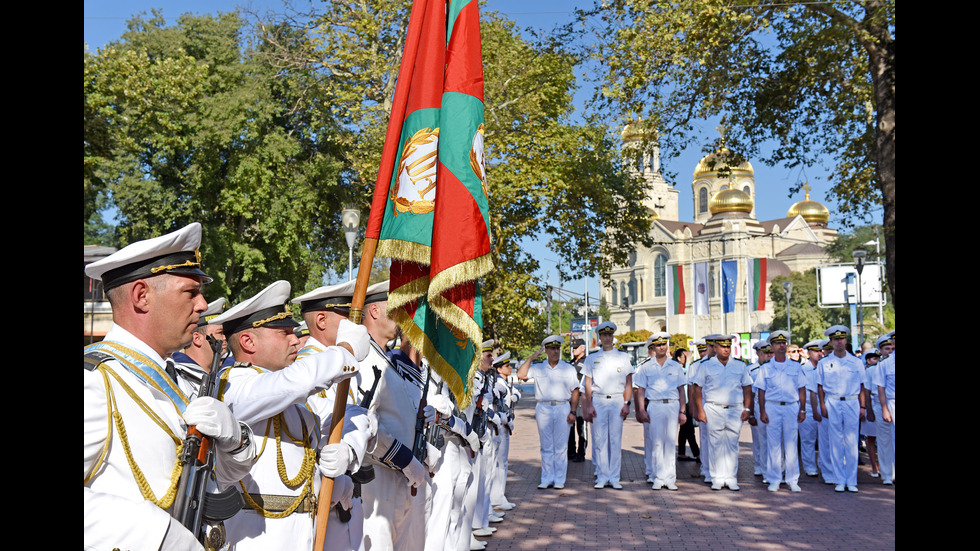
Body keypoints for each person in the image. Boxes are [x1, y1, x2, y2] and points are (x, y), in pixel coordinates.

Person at [84, 222, 257, 551]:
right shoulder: (95, 382)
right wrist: (157, 534)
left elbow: (221, 477)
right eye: (191, 292)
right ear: (141, 296)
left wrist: (235, 439)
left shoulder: (177, 380)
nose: (203, 305)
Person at [213, 280, 371, 549]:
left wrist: (348, 451)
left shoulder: (289, 398)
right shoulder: (233, 385)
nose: (295, 339)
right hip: (255, 539)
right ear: (248, 341)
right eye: (284, 332)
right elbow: (294, 383)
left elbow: (358, 415)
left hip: (302, 533)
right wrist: (343, 352)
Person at [292, 279, 381, 551]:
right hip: (326, 500)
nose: (358, 325)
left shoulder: (337, 365)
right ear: (321, 320)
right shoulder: (310, 368)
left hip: (346, 497)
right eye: (348, 316)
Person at [351, 281, 434, 551]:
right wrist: (405, 458)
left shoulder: (383, 357)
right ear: (374, 311)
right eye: (395, 309)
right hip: (378, 477)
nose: (401, 317)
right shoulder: (363, 357)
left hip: (398, 475)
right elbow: (365, 423)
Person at [517, 335, 581, 489]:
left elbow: (575, 391)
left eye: (557, 348)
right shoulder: (538, 367)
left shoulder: (568, 368)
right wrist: (531, 358)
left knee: (561, 446)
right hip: (543, 407)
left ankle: (559, 479)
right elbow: (521, 375)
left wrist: (573, 411)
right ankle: (546, 478)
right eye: (552, 348)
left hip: (562, 407)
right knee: (546, 445)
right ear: (545, 350)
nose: (555, 351)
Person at [691, 334, 753, 491]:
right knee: (715, 444)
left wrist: (747, 408)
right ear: (715, 348)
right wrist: (700, 410)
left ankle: (731, 477)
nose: (726, 349)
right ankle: (717, 477)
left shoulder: (739, 365)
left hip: (734, 409)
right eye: (722, 347)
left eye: (728, 347)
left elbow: (747, 387)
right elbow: (697, 389)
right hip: (714, 408)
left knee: (732, 444)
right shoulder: (705, 366)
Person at [582, 321, 633, 489]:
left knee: (615, 440)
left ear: (613, 336)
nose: (607, 338)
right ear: (600, 337)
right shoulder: (592, 358)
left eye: (610, 335)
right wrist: (589, 404)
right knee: (600, 439)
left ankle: (615, 477)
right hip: (599, 399)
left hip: (617, 400)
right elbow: (588, 383)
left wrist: (626, 403)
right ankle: (602, 476)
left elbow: (628, 383)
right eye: (604, 335)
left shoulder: (623, 357)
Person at [754, 331, 807, 492]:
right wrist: (762, 411)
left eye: (784, 343)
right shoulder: (766, 368)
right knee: (774, 444)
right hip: (772, 406)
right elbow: (761, 391)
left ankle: (792, 480)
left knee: (791, 443)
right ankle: (774, 479)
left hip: (791, 406)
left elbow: (802, 388)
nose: (781, 345)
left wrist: (803, 409)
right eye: (778, 343)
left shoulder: (796, 366)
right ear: (772, 346)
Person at [633, 332, 687, 490]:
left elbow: (681, 390)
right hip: (655, 405)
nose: (662, 347)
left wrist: (683, 411)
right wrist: (641, 409)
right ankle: (657, 477)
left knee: (670, 442)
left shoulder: (676, 366)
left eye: (664, 344)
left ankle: (670, 478)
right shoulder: (646, 367)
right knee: (656, 442)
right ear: (653, 348)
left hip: (672, 405)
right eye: (658, 345)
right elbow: (641, 390)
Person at [817, 325, 867, 493]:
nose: (839, 342)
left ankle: (851, 480)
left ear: (846, 340)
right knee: (836, 442)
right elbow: (820, 386)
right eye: (836, 339)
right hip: (833, 401)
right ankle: (839, 479)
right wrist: (823, 405)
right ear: (831, 342)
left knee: (852, 442)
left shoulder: (856, 362)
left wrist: (863, 406)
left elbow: (862, 386)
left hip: (852, 401)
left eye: (842, 339)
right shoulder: (824, 362)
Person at [172, 296, 228, 398]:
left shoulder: (221, 375)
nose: (224, 338)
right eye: (220, 333)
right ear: (197, 338)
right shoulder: (177, 376)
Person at [688, 335, 719, 484]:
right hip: (704, 403)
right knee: (706, 438)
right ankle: (707, 469)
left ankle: (719, 469)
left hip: (719, 402)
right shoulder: (697, 365)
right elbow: (692, 388)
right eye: (710, 347)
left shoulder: (724, 363)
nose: (712, 350)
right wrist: (693, 408)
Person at [800, 339, 826, 480]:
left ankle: (824, 465)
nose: (819, 354)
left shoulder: (825, 367)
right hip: (809, 408)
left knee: (825, 440)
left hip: (825, 406)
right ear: (809, 354)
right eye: (816, 351)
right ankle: (810, 467)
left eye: (820, 351)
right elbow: (810, 391)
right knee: (808, 440)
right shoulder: (804, 369)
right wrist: (815, 411)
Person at [746, 340, 772, 480]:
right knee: (759, 440)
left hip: (773, 405)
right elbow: (750, 392)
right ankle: (760, 466)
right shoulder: (751, 369)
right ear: (758, 353)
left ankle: (774, 468)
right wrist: (750, 412)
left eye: (770, 353)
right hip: (757, 406)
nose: (768, 356)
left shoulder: (774, 367)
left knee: (774, 440)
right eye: (765, 353)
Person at [872, 334, 895, 485]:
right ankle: (887, 474)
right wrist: (884, 409)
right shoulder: (886, 362)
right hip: (891, 402)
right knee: (885, 440)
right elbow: (881, 387)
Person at [677, 342, 702, 464]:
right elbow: (686, 374)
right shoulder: (679, 369)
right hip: (684, 403)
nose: (685, 358)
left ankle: (681, 453)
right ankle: (697, 454)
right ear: (679, 358)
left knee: (684, 430)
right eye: (683, 356)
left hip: (687, 402)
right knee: (689, 430)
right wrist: (689, 360)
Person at [567, 338, 588, 463]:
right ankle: (571, 452)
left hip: (581, 398)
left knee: (581, 426)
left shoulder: (586, 362)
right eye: (573, 348)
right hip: (569, 398)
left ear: (583, 348)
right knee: (569, 425)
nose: (574, 349)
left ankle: (581, 453)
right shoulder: (570, 363)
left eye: (576, 347)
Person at [861, 350, 881, 478]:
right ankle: (874, 467)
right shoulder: (868, 371)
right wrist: (868, 410)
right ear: (868, 361)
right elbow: (866, 391)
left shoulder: (882, 368)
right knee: (871, 438)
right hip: (872, 405)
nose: (876, 361)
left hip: (883, 404)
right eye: (874, 359)